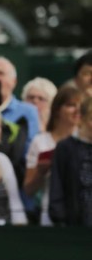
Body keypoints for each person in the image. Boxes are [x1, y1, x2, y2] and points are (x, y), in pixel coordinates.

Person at [24, 86, 82, 226]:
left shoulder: (86, 141)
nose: (77, 110)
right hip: (51, 214)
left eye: (80, 106)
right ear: (57, 109)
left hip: (83, 214)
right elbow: (28, 190)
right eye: (71, 105)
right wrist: (40, 171)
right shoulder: (40, 142)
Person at [49, 95, 92, 226]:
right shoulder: (65, 147)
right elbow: (57, 186)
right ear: (83, 118)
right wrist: (61, 220)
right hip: (73, 226)